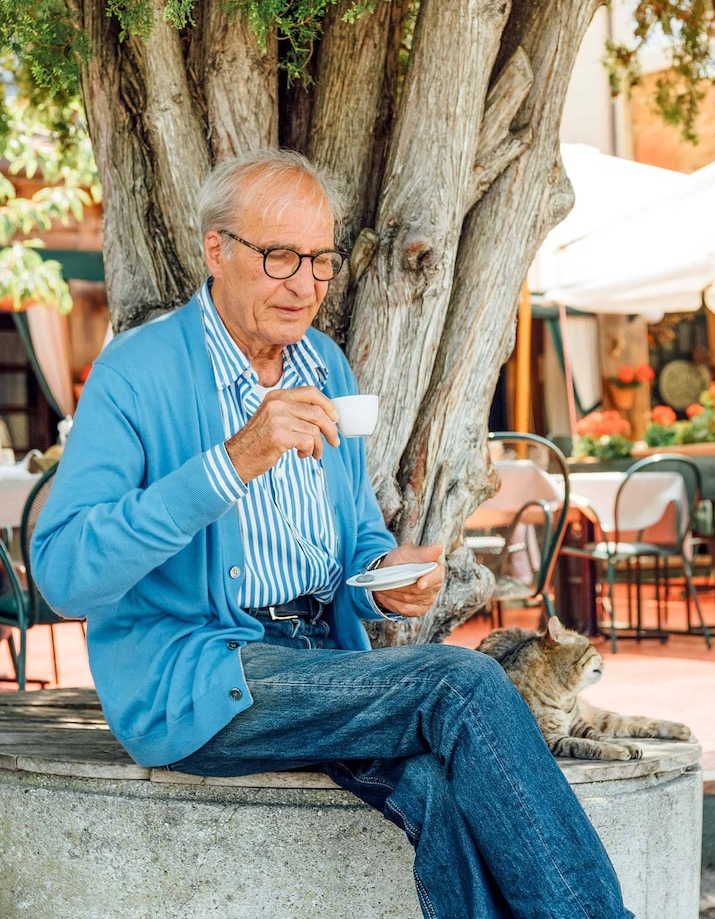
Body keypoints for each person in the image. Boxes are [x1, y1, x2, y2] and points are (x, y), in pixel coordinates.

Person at [32, 148, 633, 919]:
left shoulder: (324, 364)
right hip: (202, 676)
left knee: (440, 788)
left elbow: (350, 534)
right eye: (280, 256)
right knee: (460, 680)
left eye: (320, 260)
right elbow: (63, 571)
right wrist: (231, 461)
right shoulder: (136, 374)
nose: (306, 283)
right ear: (216, 250)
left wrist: (385, 573)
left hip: (321, 662)